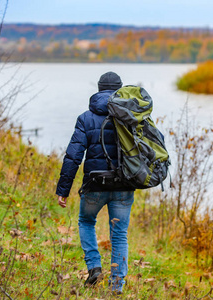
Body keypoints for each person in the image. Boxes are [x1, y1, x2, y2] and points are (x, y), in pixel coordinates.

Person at [56, 71, 134, 294]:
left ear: (99, 90)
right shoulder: (130, 115)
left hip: (95, 185)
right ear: (120, 91)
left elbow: (73, 156)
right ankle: (117, 286)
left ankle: (94, 268)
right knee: (119, 234)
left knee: (86, 221)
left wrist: (64, 189)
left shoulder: (86, 118)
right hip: (124, 186)